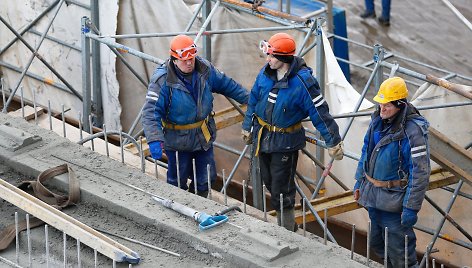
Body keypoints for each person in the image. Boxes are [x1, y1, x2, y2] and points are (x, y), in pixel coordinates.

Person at [241, 33, 344, 231]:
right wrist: (247, 126)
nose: (267, 59)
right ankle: (284, 222)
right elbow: (254, 99)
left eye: (272, 56)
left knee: (282, 189)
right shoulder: (266, 73)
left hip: (284, 142)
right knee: (268, 180)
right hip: (263, 137)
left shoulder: (303, 82)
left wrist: (333, 141)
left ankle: (288, 229)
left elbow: (319, 112)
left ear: (284, 58)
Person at [142, 34, 249, 197]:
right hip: (177, 140)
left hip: (202, 136)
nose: (189, 62)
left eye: (191, 58)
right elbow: (151, 111)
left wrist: (251, 100)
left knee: (206, 179)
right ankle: (178, 208)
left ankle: (200, 207)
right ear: (174, 59)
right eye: (184, 60)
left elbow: (228, 85)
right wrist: (154, 139)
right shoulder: (162, 80)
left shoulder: (204, 69)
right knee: (177, 181)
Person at [354, 77, 430, 267]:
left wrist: (411, 207)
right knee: (377, 242)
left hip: (394, 203)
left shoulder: (413, 132)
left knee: (401, 254)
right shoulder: (377, 122)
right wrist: (359, 182)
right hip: (373, 196)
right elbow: (366, 153)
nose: (382, 109)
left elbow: (419, 173)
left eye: (387, 105)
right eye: (380, 104)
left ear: (400, 104)